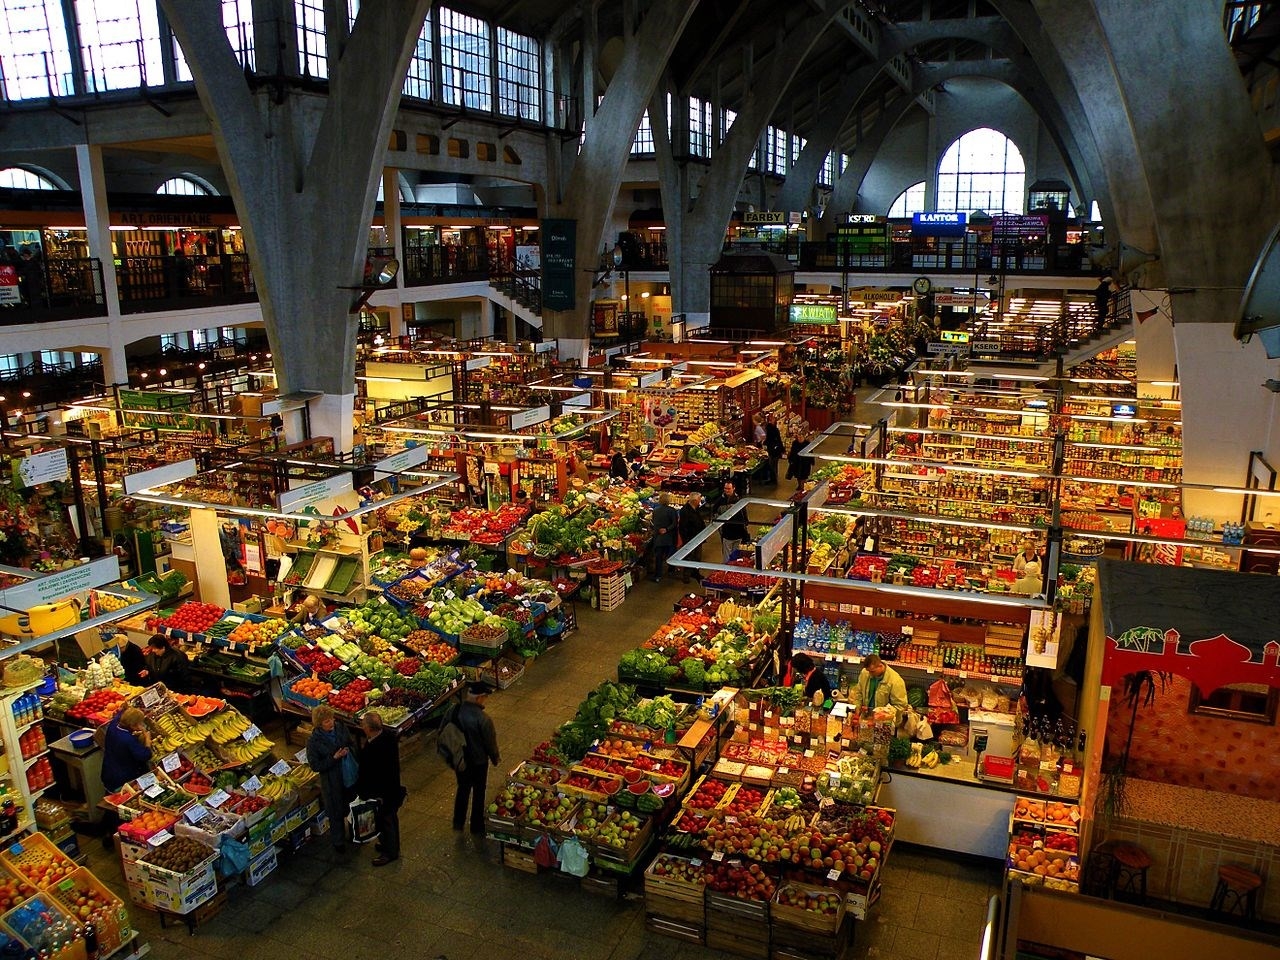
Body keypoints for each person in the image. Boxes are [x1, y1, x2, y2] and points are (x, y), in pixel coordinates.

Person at [355, 711, 405, 866]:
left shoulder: (373, 749)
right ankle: (388, 846)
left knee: (386, 821)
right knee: (387, 820)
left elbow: (371, 773)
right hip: (391, 789)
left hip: (382, 793)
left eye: (363, 724)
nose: (362, 727)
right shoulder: (389, 737)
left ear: (369, 729)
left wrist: (366, 793)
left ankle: (390, 852)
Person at [452, 682, 500, 834]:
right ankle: (476, 825)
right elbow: (489, 742)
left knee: (463, 789)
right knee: (479, 792)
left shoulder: (454, 712)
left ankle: (458, 822)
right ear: (479, 698)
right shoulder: (483, 719)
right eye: (485, 697)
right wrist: (495, 757)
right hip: (478, 762)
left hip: (460, 760)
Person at [307, 704, 356, 851]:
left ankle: (355, 833)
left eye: (332, 719)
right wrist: (334, 758)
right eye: (327, 721)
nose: (331, 723)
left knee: (351, 805)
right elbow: (315, 765)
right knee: (336, 812)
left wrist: (349, 750)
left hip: (348, 775)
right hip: (331, 782)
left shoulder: (341, 728)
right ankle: (338, 841)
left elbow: (351, 743)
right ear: (319, 724)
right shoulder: (313, 742)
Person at [101, 707, 152, 793]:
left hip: (109, 772)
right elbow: (145, 755)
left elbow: (120, 712)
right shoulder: (128, 739)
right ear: (132, 725)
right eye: (140, 723)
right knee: (121, 798)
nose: (142, 725)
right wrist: (147, 739)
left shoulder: (113, 724)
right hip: (123, 779)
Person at [851, 655, 909, 719]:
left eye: (872, 671)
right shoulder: (865, 673)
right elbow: (858, 692)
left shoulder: (896, 681)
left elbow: (900, 705)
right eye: (868, 671)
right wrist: (857, 706)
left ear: (880, 666)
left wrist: (883, 713)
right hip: (867, 717)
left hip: (886, 722)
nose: (870, 674)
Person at [649, 492, 679, 582]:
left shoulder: (655, 511)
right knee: (670, 555)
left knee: (659, 557)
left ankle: (658, 575)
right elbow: (675, 523)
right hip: (669, 537)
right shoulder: (672, 510)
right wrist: (667, 529)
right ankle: (671, 571)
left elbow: (654, 522)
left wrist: (659, 530)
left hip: (658, 537)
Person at [677, 492, 706, 583]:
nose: (700, 501)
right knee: (689, 557)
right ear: (695, 501)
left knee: (697, 557)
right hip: (690, 539)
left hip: (698, 537)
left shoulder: (696, 508)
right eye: (699, 500)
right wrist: (686, 540)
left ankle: (695, 572)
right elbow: (683, 527)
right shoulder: (685, 511)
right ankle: (686, 576)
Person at [719, 481, 749, 563]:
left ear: (733, 488)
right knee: (727, 557)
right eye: (725, 488)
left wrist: (745, 524)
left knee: (736, 555)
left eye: (729, 489)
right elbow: (716, 515)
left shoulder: (739, 500)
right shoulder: (720, 501)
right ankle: (726, 571)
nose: (726, 490)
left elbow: (744, 514)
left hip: (738, 533)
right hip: (727, 534)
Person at [763, 416, 785, 484]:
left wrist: (764, 443)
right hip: (776, 450)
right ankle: (774, 479)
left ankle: (773, 479)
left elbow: (769, 439)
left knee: (772, 465)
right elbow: (778, 440)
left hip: (773, 450)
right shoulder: (775, 429)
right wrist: (782, 449)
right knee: (774, 465)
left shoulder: (770, 429)